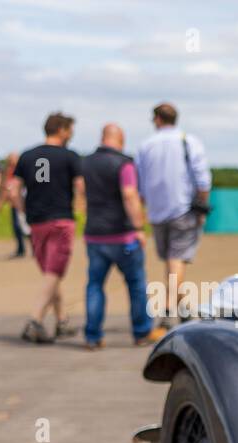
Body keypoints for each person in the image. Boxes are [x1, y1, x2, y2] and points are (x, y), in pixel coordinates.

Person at [81, 124, 162, 350]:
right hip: (123, 236)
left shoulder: (85, 162)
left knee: (95, 285)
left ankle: (92, 336)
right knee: (136, 284)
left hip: (95, 236)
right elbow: (129, 195)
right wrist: (138, 227)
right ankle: (142, 332)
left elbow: (80, 191)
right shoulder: (124, 163)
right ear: (121, 139)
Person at [10, 114, 83, 343]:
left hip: (36, 222)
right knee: (54, 273)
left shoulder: (27, 155)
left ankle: (61, 321)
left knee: (50, 274)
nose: (71, 134)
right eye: (70, 130)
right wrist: (82, 207)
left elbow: (13, 190)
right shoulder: (70, 156)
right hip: (61, 220)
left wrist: (23, 211)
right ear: (61, 130)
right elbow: (81, 186)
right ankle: (36, 320)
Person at [135, 102, 210, 324]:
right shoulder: (189, 141)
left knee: (170, 261)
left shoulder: (145, 145)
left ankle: (181, 306)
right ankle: (169, 310)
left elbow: (139, 181)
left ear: (157, 119)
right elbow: (203, 180)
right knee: (177, 260)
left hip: (156, 211)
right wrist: (202, 206)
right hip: (183, 209)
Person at [0, 151, 27, 258]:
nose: (11, 162)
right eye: (10, 160)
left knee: (25, 227)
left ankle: (36, 249)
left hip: (23, 204)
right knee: (17, 227)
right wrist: (0, 203)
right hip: (14, 204)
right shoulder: (8, 172)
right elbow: (5, 189)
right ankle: (21, 249)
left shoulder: (22, 171)